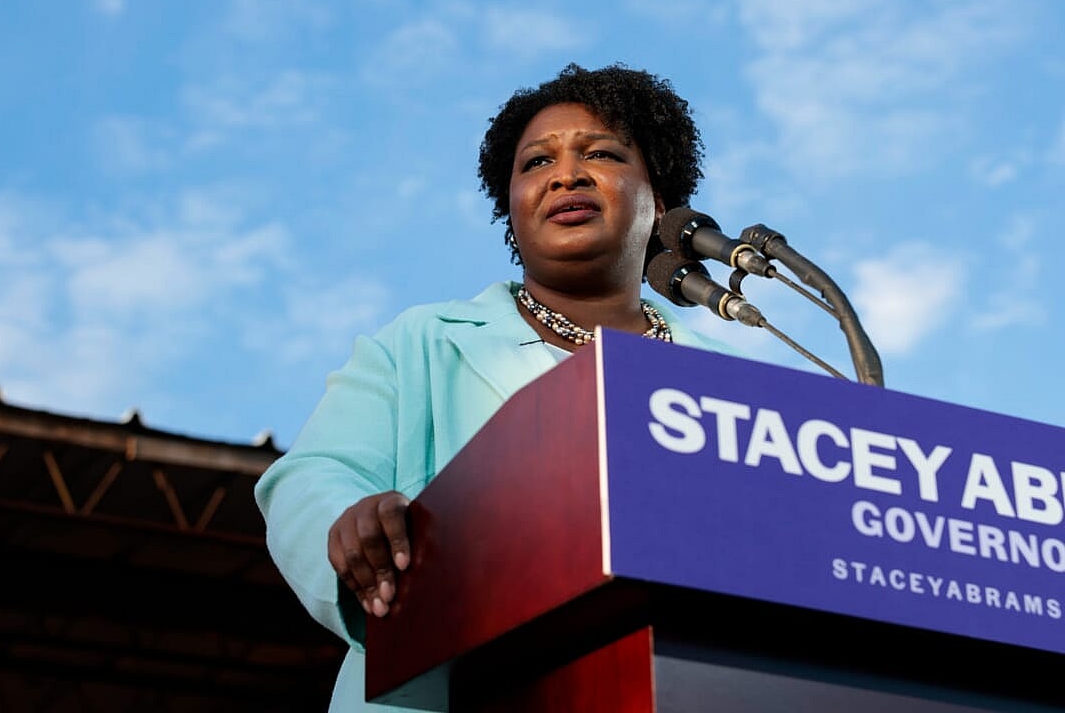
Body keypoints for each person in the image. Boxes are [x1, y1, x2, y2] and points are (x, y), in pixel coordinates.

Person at [255, 62, 738, 712]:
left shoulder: (732, 384)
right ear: (509, 209)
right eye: (536, 163)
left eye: (601, 153)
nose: (566, 174)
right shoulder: (422, 342)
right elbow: (311, 477)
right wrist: (350, 524)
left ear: (661, 199)